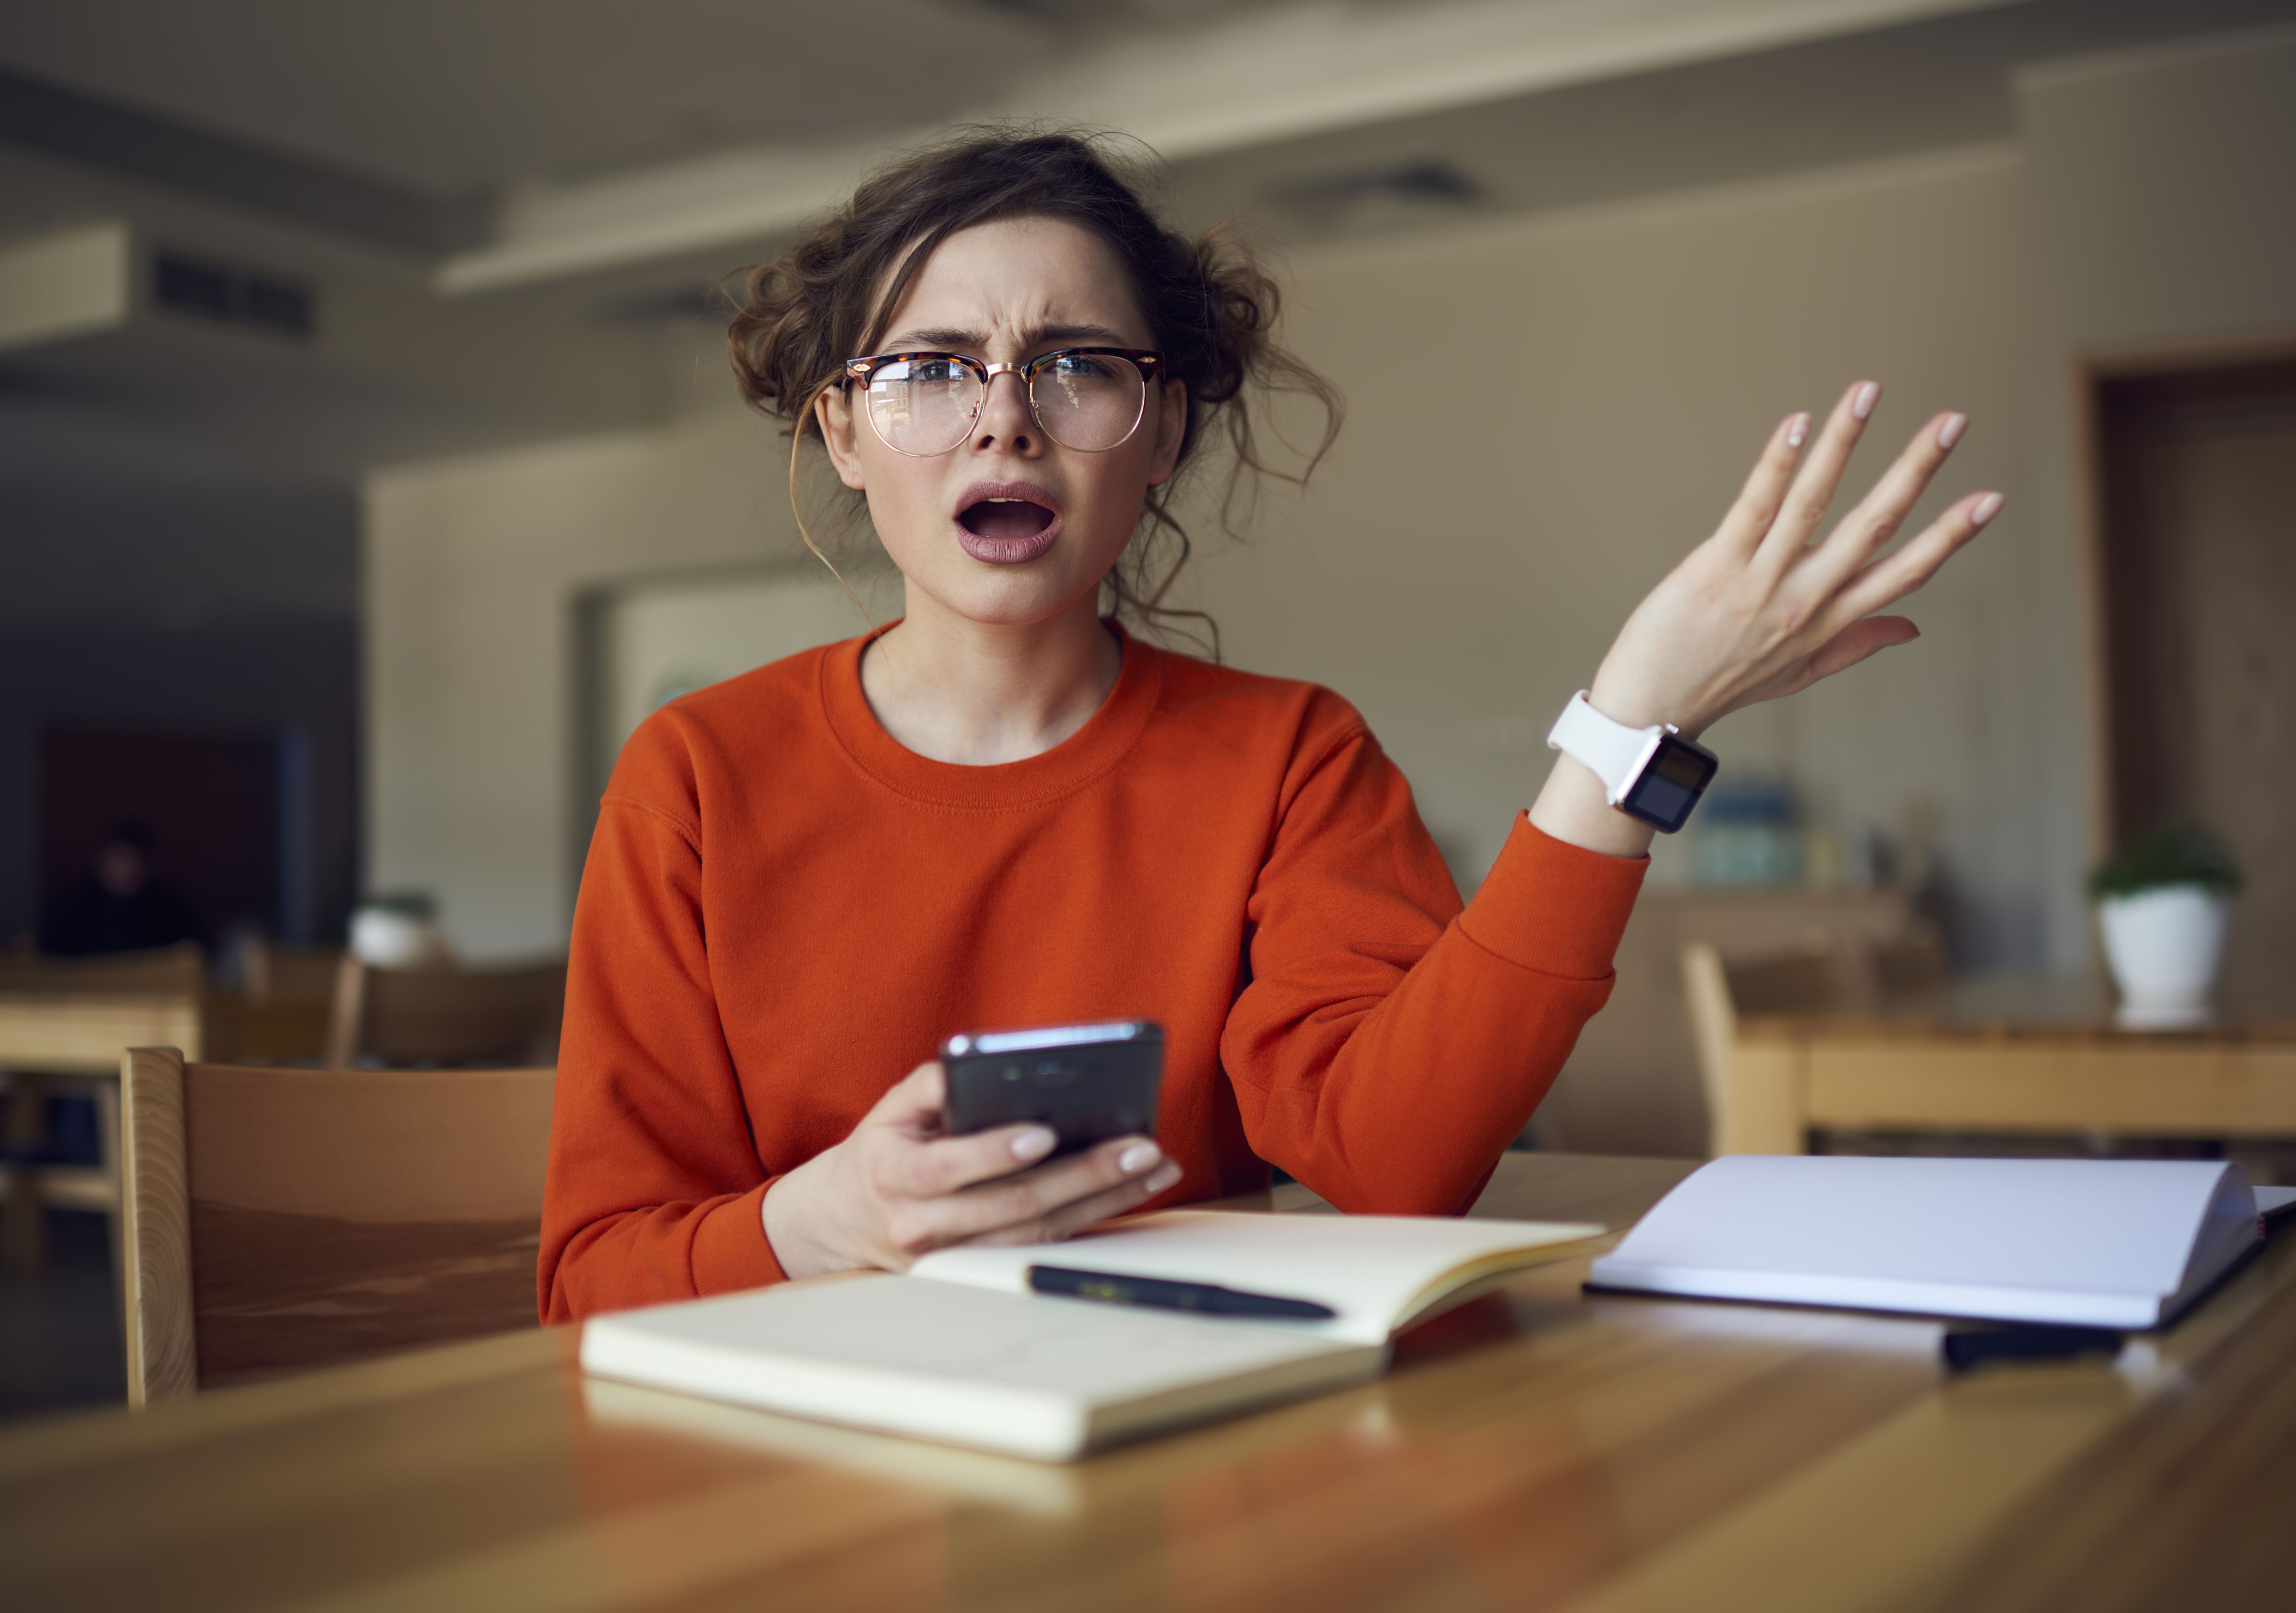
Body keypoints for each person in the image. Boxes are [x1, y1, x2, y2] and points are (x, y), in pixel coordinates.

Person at [538, 131, 2001, 1322]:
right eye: (930, 370)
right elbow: (589, 1273)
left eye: (1078, 363)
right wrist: (816, 1217)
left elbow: (1397, 1155)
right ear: (843, 433)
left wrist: (1629, 726)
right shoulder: (696, 777)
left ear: (1164, 430)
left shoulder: (1291, 757)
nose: (1005, 420)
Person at [38, 824, 203, 957]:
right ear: (101, 860)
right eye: (121, 857)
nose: (129, 867)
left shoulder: (166, 905)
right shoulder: (74, 904)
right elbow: (51, 956)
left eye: (137, 858)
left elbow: (194, 949)